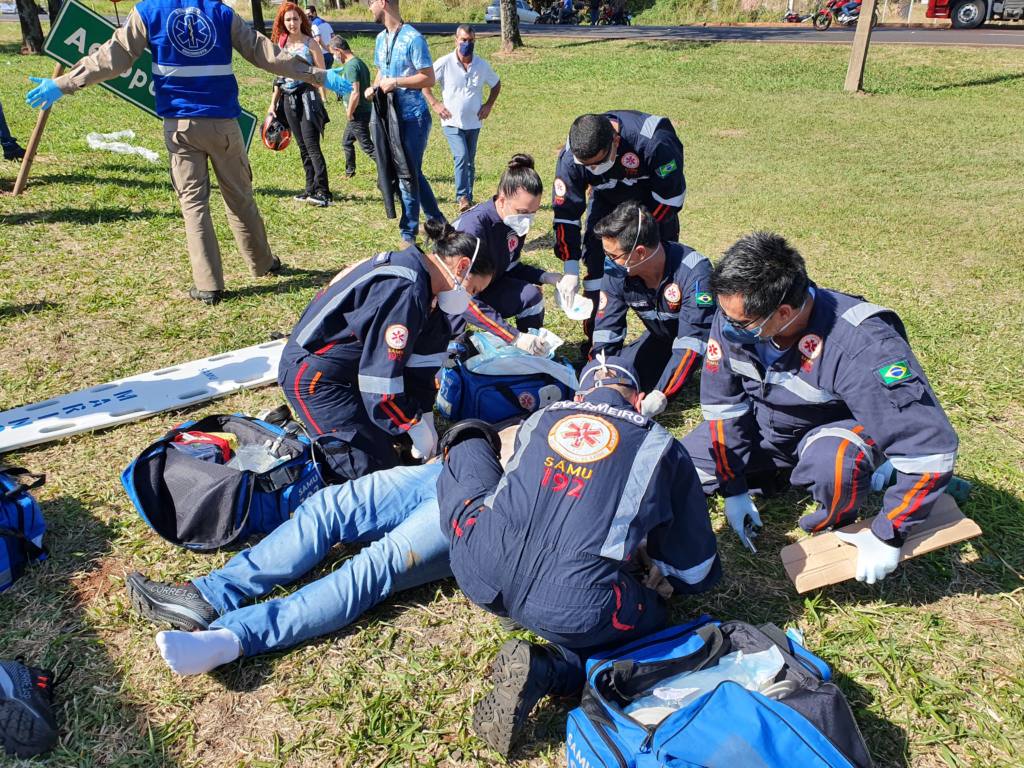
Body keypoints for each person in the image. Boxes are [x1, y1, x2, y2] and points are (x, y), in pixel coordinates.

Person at [437, 355, 721, 756]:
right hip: (573, 607)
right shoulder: (659, 445)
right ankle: (554, 669)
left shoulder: (542, 418)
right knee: (652, 617)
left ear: (580, 395)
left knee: (467, 449)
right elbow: (693, 570)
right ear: (637, 402)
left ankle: (462, 441)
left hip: (479, 570)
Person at [24, 0, 349, 304]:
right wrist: (319, 75)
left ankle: (208, 285)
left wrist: (63, 84)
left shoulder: (149, 11)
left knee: (194, 205)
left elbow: (113, 57)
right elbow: (265, 53)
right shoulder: (220, 12)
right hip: (222, 123)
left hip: (179, 126)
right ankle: (263, 262)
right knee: (240, 196)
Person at [681, 232, 960, 584]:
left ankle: (839, 514)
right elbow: (723, 406)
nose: (726, 328)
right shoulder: (737, 317)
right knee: (678, 462)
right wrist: (733, 487)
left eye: (739, 323)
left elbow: (929, 450)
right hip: (764, 424)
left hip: (828, 429)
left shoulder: (863, 345)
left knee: (835, 464)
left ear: (783, 312)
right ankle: (767, 476)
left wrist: (890, 533)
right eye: (725, 316)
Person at [124, 464, 450, 675]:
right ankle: (209, 596)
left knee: (375, 566)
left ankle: (233, 638)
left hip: (488, 503)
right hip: (457, 461)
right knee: (327, 508)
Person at [277, 219, 495, 483]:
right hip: (316, 377)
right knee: (375, 474)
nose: (469, 298)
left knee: (396, 445)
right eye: (472, 290)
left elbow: (421, 362)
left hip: (353, 370)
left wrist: (423, 413)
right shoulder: (406, 290)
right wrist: (413, 425)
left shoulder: (426, 285)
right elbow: (380, 382)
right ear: (461, 266)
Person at [552, 111, 686, 347]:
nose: (593, 170)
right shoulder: (572, 155)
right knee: (597, 267)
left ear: (615, 141)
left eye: (599, 163)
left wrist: (638, 234)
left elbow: (670, 199)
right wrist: (570, 267)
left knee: (656, 269)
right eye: (587, 166)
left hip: (652, 206)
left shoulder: (655, 141)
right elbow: (566, 214)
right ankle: (597, 342)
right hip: (605, 201)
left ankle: (668, 339)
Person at [591, 201, 714, 410]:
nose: (607, 262)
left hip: (708, 347)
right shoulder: (618, 274)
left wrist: (662, 395)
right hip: (662, 339)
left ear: (639, 252)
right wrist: (599, 371)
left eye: (613, 256)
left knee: (654, 391)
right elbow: (607, 331)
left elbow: (693, 342)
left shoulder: (694, 273)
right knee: (625, 377)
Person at [451, 154, 561, 355]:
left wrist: (545, 277)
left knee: (531, 296)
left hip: (486, 288)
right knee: (457, 356)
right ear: (501, 200)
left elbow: (511, 266)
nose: (527, 219)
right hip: (451, 299)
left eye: (533, 213)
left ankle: (531, 353)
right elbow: (461, 298)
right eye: (522, 211)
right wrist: (513, 336)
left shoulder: (515, 223)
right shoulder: (473, 228)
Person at [366, 0, 445, 246]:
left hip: (414, 119)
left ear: (383, 2)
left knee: (407, 174)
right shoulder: (381, 39)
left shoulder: (413, 38)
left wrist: (397, 82)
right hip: (391, 118)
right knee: (411, 172)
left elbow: (428, 78)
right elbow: (381, 71)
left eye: (371, 2)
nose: (369, 8)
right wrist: (374, 86)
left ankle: (408, 233)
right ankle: (439, 223)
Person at [425, 25, 501, 213]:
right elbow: (425, 82)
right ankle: (462, 197)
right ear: (456, 40)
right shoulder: (445, 63)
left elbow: (496, 84)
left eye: (471, 40)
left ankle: (469, 196)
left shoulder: (481, 65)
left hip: (474, 122)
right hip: (451, 121)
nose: (467, 43)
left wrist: (488, 105)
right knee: (461, 155)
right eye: (464, 40)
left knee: (470, 161)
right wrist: (435, 103)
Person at [268, 3, 332, 207]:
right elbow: (278, 78)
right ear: (282, 22)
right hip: (288, 98)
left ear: (301, 20)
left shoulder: (310, 43)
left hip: (307, 96)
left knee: (312, 145)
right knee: (302, 145)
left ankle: (324, 192)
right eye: (288, 20)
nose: (292, 23)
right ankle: (310, 188)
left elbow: (322, 74)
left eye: (295, 19)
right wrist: (272, 105)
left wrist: (323, 98)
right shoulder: (282, 43)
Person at [329, 35, 376, 179]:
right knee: (347, 141)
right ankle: (350, 171)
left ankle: (390, 167)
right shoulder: (359, 62)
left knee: (367, 146)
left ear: (339, 51)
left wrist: (349, 113)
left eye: (333, 53)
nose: (334, 57)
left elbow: (355, 93)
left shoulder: (351, 66)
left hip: (358, 112)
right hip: (363, 110)